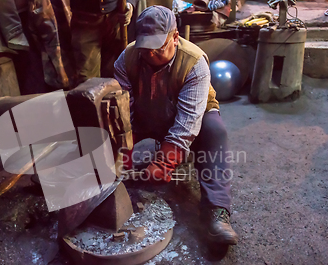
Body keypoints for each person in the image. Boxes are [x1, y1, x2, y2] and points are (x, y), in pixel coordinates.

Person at [114, 5, 238, 245]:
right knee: (107, 139)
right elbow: (123, 114)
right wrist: (122, 154)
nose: (150, 54)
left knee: (214, 131)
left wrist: (164, 162)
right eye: (145, 48)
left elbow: (187, 123)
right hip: (145, 113)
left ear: (175, 38)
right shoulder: (126, 59)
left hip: (186, 116)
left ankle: (217, 210)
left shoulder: (195, 62)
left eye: (157, 48)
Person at [70, 0, 138, 85]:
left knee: (118, 77)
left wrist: (130, 3)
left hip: (117, 15)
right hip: (85, 18)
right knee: (88, 83)